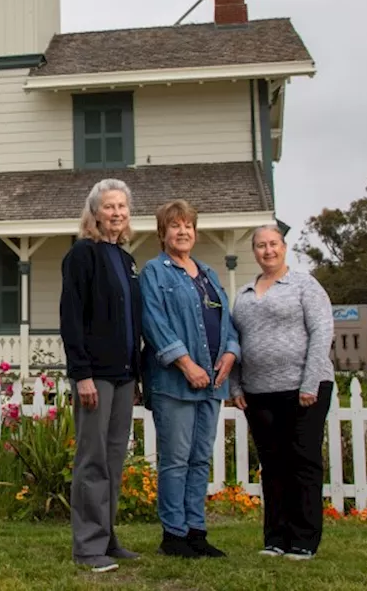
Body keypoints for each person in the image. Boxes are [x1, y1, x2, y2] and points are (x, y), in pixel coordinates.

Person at [139, 200, 239, 559]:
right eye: (175, 226)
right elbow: (153, 323)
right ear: (162, 233)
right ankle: (174, 535)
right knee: (176, 460)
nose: (183, 232)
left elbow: (227, 322)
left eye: (188, 226)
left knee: (200, 460)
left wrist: (230, 353)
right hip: (175, 385)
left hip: (213, 384)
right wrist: (185, 364)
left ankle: (197, 532)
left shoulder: (210, 274)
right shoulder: (155, 272)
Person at [229, 224, 335, 561]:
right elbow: (234, 342)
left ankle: (304, 539)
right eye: (260, 246)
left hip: (303, 390)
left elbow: (322, 332)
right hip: (258, 393)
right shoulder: (244, 293)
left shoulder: (305, 285)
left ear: (284, 247)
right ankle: (275, 538)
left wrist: (310, 382)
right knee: (272, 466)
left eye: (273, 244)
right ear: (254, 252)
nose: (267, 251)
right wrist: (235, 384)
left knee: (303, 462)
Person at [59, 178, 144, 573]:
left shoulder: (126, 260)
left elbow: (131, 321)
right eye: (109, 206)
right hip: (95, 375)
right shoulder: (83, 254)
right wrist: (82, 374)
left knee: (112, 461)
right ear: (95, 213)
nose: (117, 213)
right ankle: (87, 547)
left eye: (122, 207)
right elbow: (71, 317)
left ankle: (107, 538)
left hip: (125, 375)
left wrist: (137, 373)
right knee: (91, 460)